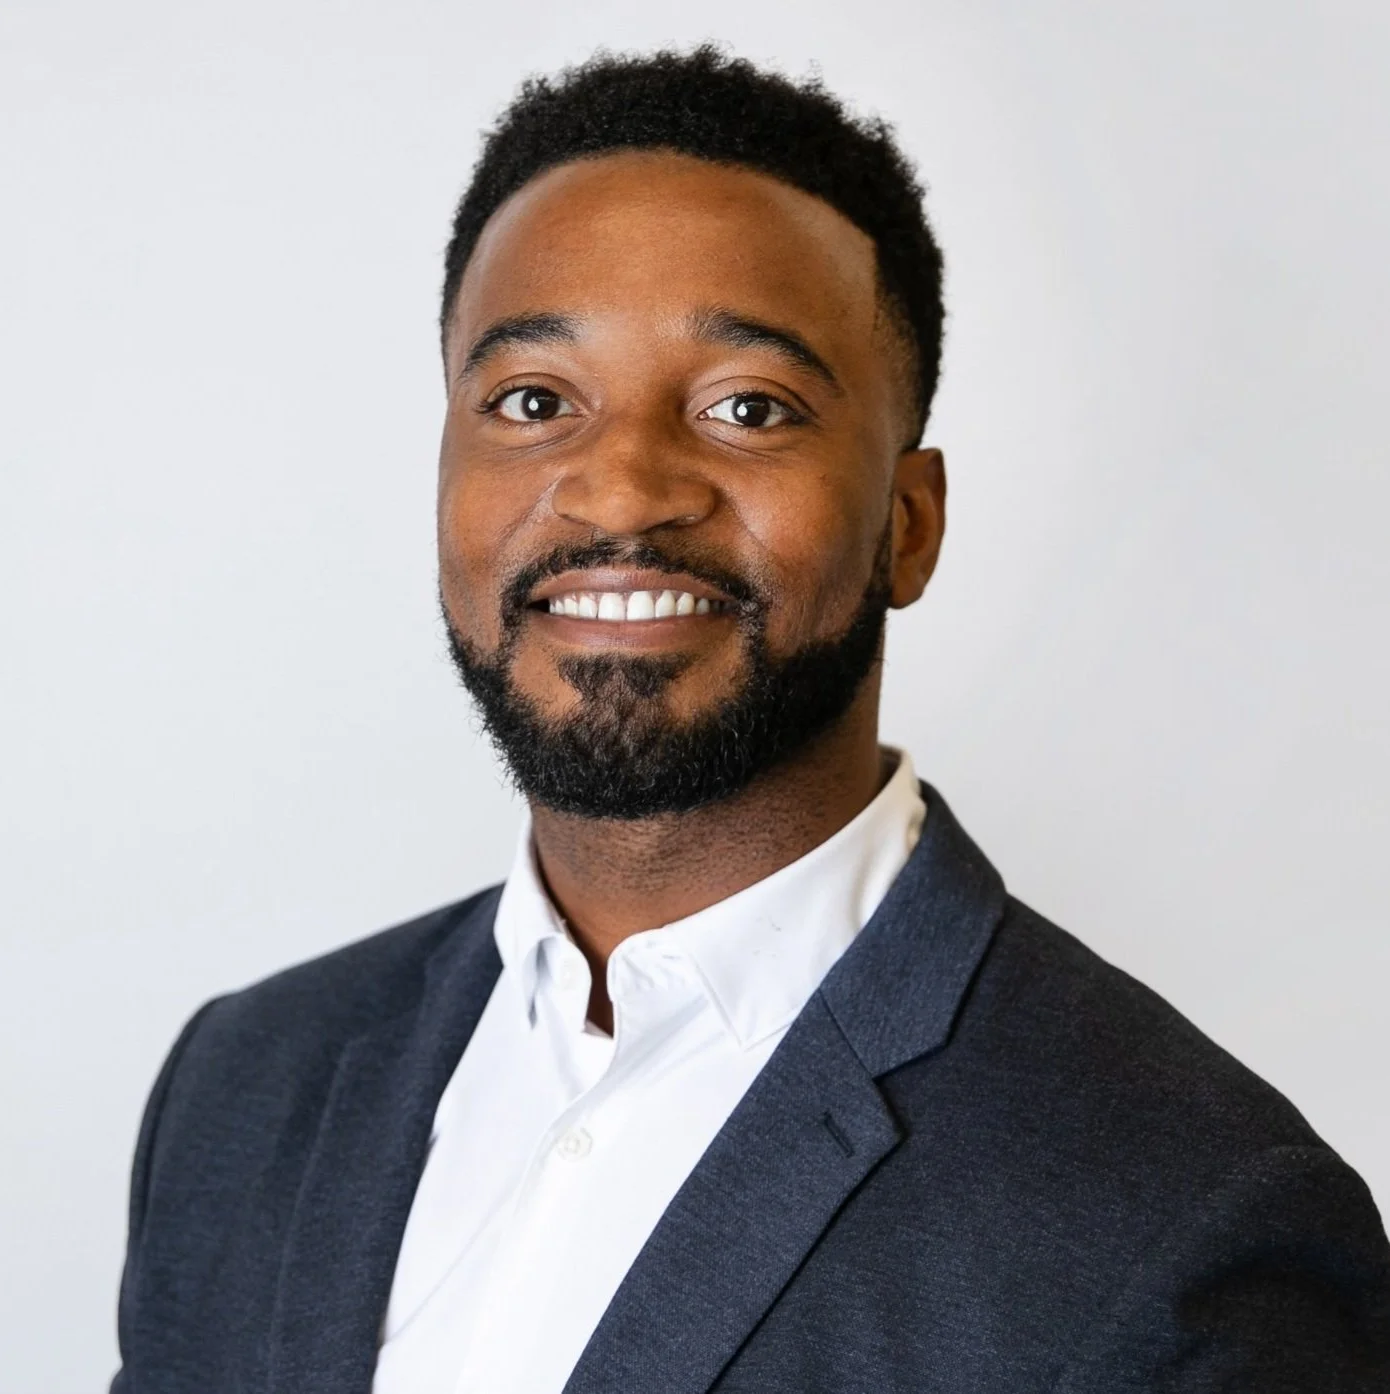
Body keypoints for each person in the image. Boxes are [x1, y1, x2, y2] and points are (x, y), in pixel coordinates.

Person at [110, 47, 1389, 1394]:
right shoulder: (244, 1086)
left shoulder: (1182, 1224)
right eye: (533, 401)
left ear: (908, 524)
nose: (619, 490)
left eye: (747, 407)